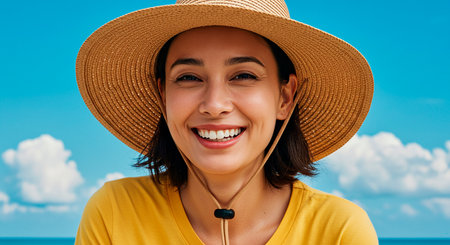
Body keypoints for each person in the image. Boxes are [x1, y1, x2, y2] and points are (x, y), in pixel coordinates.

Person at [75, 0, 378, 244]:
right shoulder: (114, 212)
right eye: (189, 78)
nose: (214, 105)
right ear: (163, 96)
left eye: (243, 76)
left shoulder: (339, 231)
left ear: (285, 97)